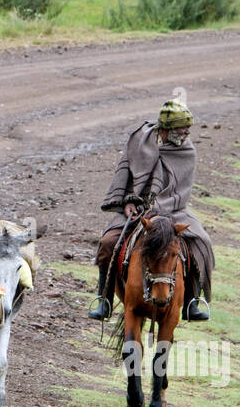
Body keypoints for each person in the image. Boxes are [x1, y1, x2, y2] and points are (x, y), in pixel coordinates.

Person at [89, 100, 214, 322]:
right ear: (166, 129)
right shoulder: (141, 142)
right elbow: (127, 172)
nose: (186, 133)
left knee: (201, 241)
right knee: (108, 242)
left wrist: (159, 210)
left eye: (188, 128)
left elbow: (180, 191)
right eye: (181, 128)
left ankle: (193, 301)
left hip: (174, 211)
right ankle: (104, 300)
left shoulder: (187, 151)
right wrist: (128, 202)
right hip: (137, 210)